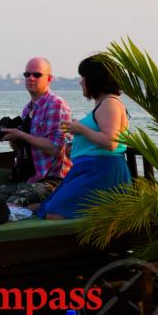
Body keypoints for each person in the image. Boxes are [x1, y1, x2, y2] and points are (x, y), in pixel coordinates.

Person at [38, 55, 131, 219]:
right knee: (47, 209)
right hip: (89, 169)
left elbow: (111, 143)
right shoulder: (103, 103)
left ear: (95, 79)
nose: (80, 81)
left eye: (83, 77)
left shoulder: (110, 103)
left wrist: (80, 128)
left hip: (102, 171)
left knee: (55, 213)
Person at [0, 57, 73, 208]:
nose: (31, 78)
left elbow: (55, 148)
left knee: (9, 208)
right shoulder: (28, 108)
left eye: (37, 75)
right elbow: (19, 148)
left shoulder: (55, 104)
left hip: (50, 180)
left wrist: (21, 134)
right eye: (27, 75)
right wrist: (11, 137)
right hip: (25, 178)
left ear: (49, 78)